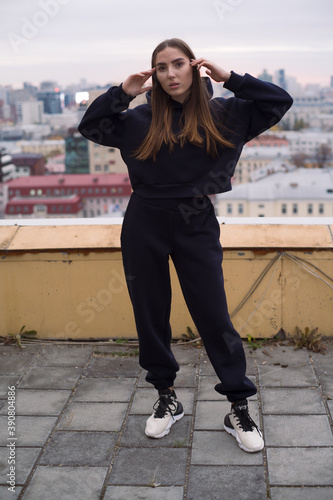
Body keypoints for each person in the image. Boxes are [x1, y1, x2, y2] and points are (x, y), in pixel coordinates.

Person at [78, 38, 293, 453]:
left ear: (195, 68)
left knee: (214, 316)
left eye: (179, 64)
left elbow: (278, 101)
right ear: (153, 75)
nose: (170, 73)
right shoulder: (138, 120)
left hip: (196, 224)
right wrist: (122, 92)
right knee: (150, 313)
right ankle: (166, 398)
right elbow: (91, 126)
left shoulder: (225, 114)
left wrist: (229, 77)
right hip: (144, 223)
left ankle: (237, 406)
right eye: (161, 67)